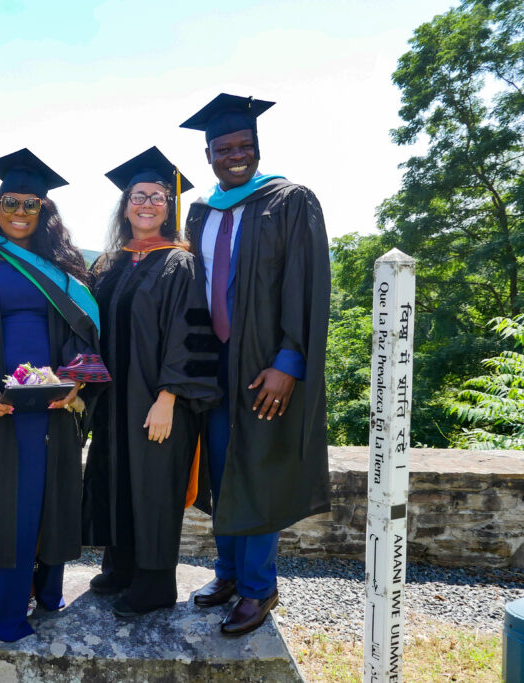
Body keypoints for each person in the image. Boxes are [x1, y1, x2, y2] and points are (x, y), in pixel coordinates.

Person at [0, 148, 111, 641]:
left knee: (48, 495)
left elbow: (84, 329)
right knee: (6, 503)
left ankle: (46, 591)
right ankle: (1, 610)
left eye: (31, 204)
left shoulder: (62, 262)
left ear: (45, 210)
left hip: (53, 402)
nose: (19, 212)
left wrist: (76, 380)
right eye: (10, 202)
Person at [179, 94, 331, 635]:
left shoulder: (289, 201)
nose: (235, 155)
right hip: (213, 363)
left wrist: (288, 361)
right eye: (225, 148)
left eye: (244, 146)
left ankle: (258, 588)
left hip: (266, 365)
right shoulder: (201, 212)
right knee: (223, 471)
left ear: (257, 148)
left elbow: (306, 286)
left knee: (260, 469)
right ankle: (225, 574)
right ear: (209, 154)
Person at [82, 147, 221, 618]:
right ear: (124, 206)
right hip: (115, 401)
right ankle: (121, 565)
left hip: (160, 401)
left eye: (157, 197)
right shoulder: (111, 264)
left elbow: (189, 335)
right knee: (120, 477)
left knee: (155, 485)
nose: (147, 204)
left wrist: (168, 398)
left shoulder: (179, 264)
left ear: (170, 206)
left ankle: (156, 582)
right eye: (137, 196)